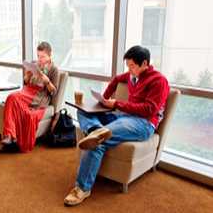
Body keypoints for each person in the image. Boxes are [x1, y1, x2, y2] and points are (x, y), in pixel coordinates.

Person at [64, 45, 170, 206]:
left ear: (144, 63)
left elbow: (149, 110)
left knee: (98, 142)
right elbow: (116, 80)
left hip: (143, 123)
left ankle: (82, 188)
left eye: (132, 66)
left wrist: (118, 103)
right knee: (84, 111)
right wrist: (103, 101)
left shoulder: (159, 81)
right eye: (128, 66)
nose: (130, 70)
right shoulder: (132, 75)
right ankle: (94, 130)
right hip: (122, 117)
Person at [0, 41, 59, 153]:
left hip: (39, 97)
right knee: (11, 97)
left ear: (50, 55)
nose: (40, 59)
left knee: (17, 103)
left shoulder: (54, 70)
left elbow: (54, 91)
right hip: (27, 92)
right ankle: (9, 136)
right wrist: (27, 76)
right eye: (38, 56)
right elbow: (25, 83)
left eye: (43, 56)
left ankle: (12, 139)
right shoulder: (35, 64)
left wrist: (47, 81)